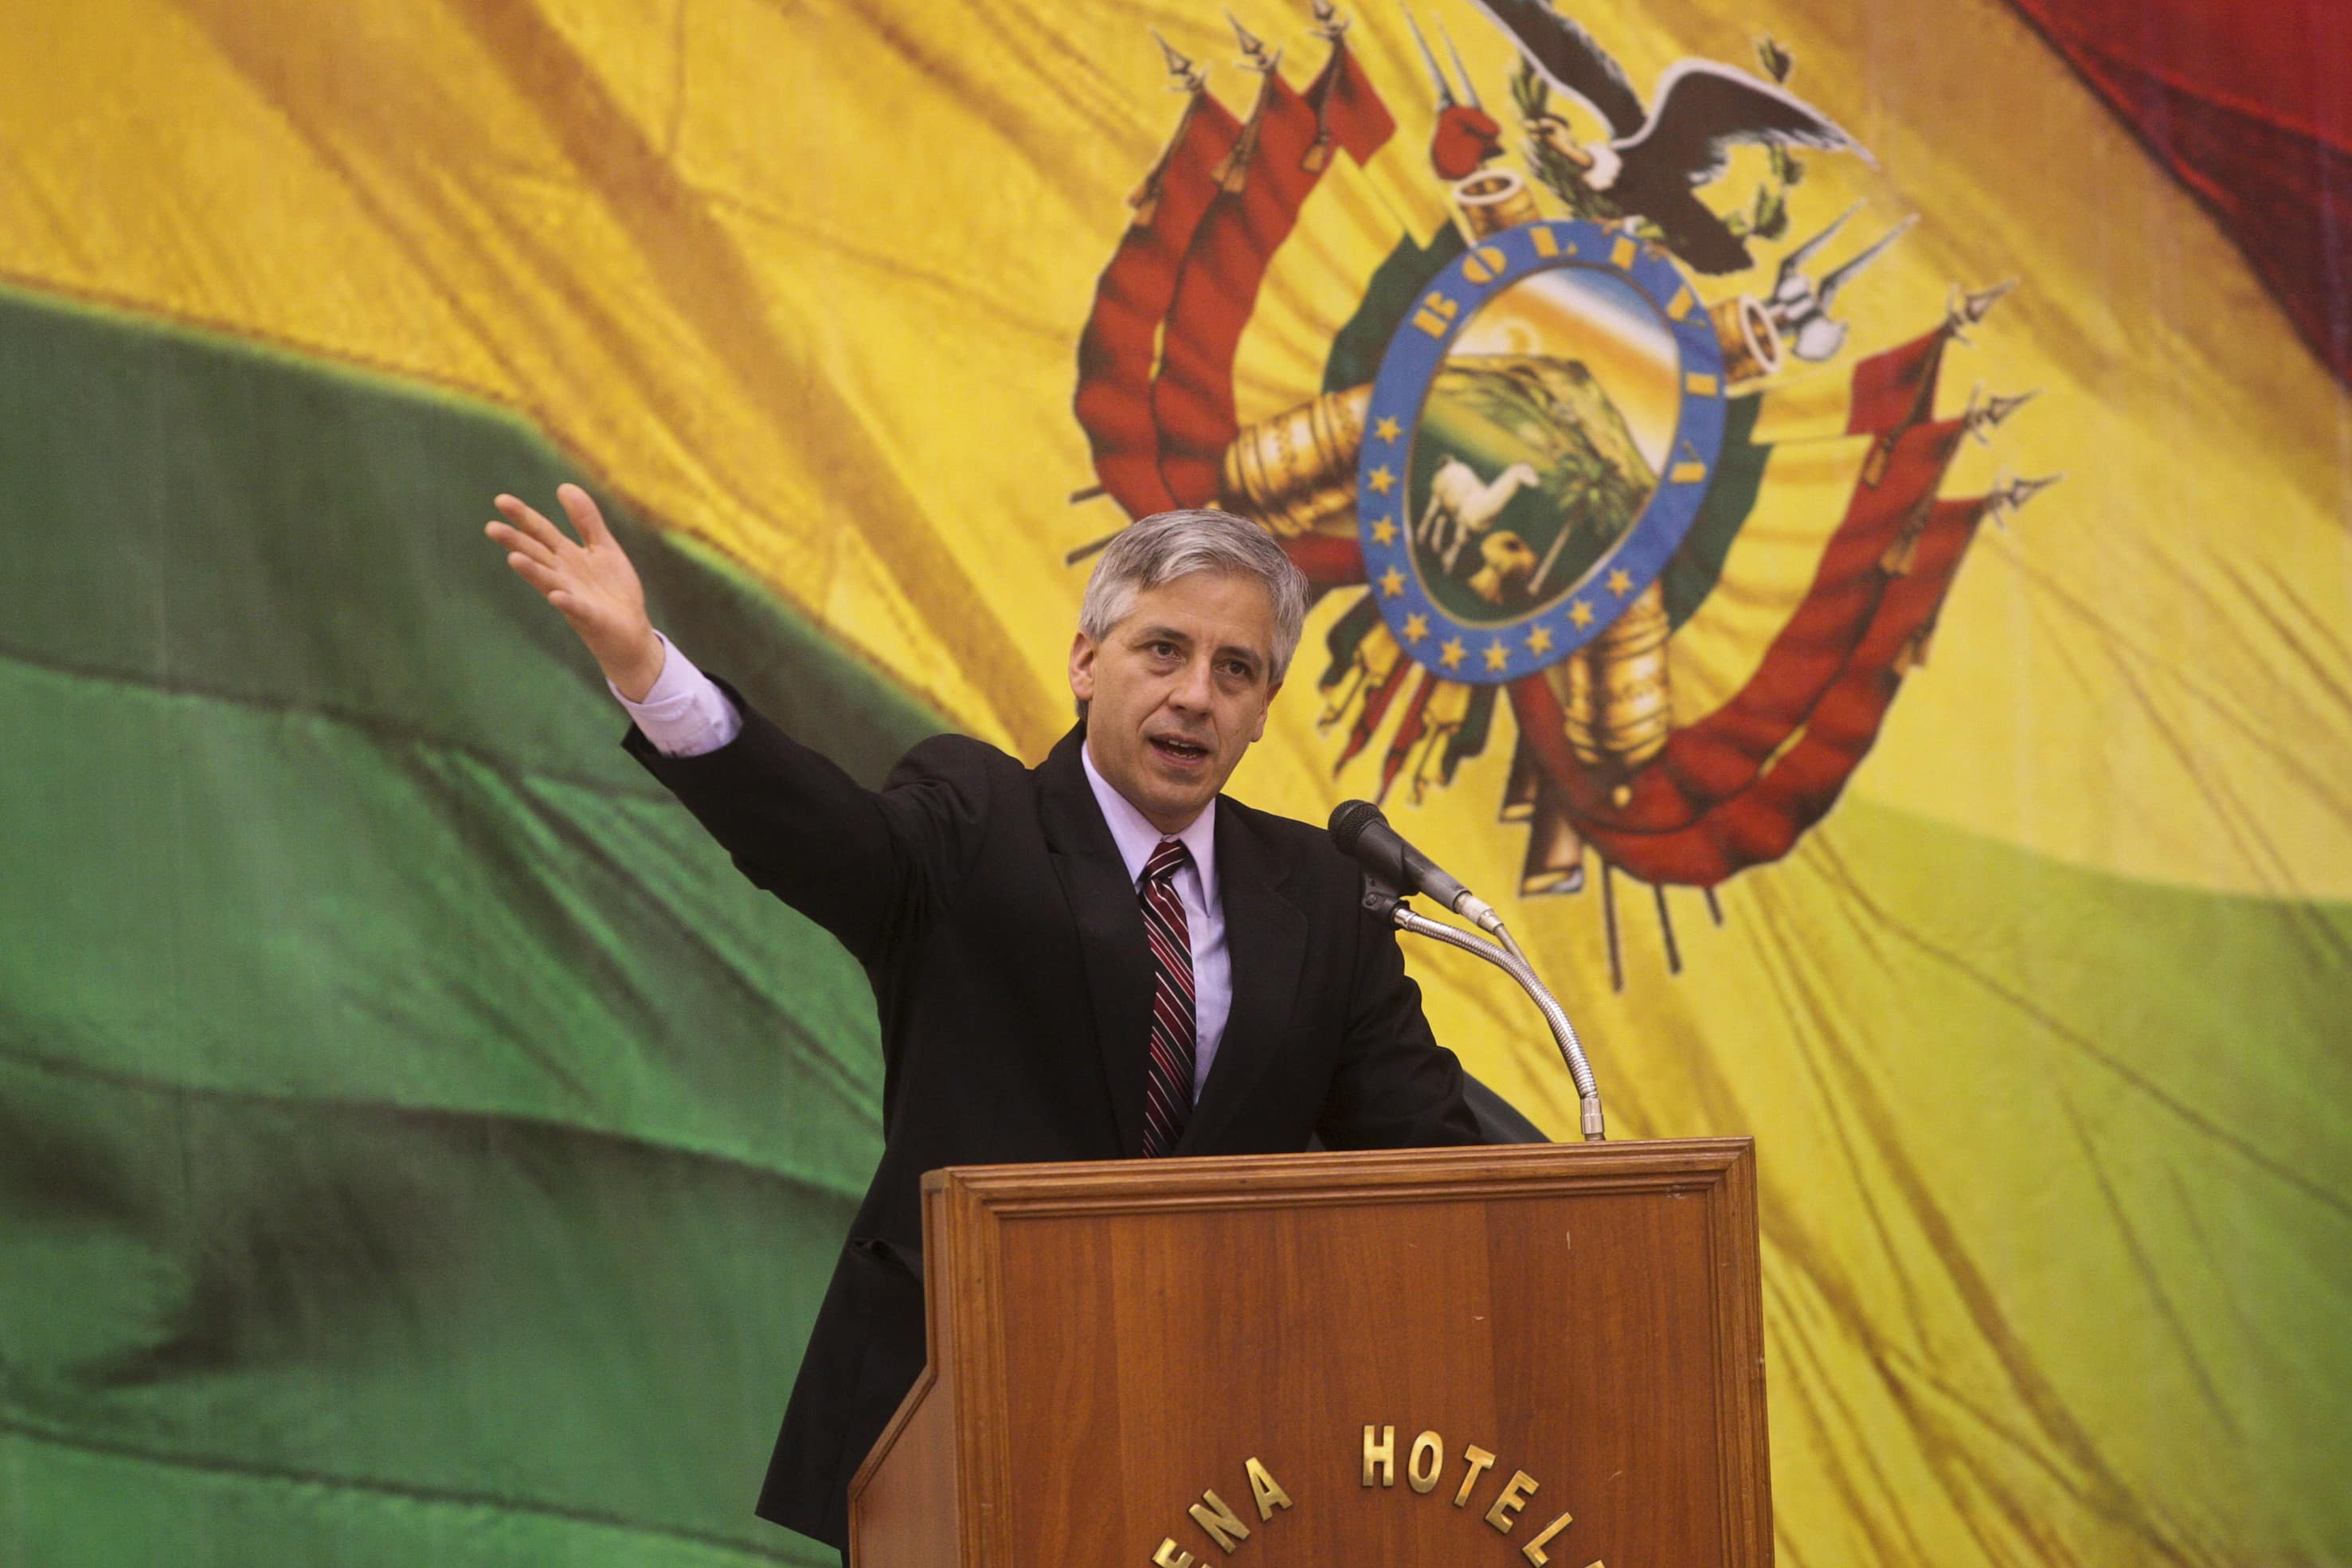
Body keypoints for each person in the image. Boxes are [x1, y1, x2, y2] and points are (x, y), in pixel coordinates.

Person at [485, 485, 1484, 1558]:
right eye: (1163, 651)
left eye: (1232, 669)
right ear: (1085, 662)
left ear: (1263, 700)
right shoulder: (977, 818)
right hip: (967, 1406)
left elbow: (1429, 1155)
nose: (1195, 694)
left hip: (1225, 1445)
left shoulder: (1322, 892)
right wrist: (648, 668)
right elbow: (821, 838)